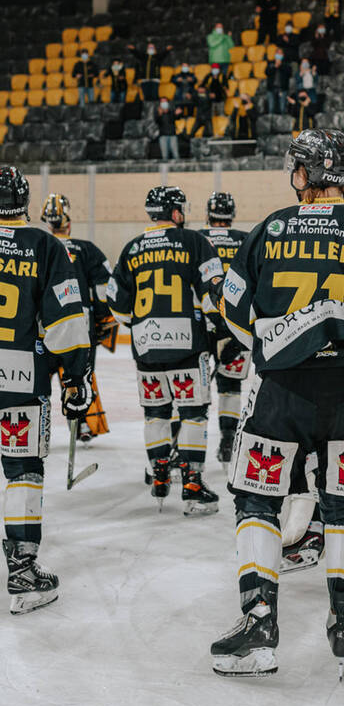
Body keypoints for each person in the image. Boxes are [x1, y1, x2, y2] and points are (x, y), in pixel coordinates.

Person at [209, 128, 344, 678]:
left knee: (258, 501)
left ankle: (259, 620)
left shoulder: (270, 227)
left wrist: (276, 343)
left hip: (281, 392)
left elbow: (234, 311)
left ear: (304, 175)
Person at [0, 167, 91, 614]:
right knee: (22, 469)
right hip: (17, 374)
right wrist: (77, 378)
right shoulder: (43, 245)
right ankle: (22, 571)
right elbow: (67, 322)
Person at [107, 186, 223, 515]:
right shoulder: (195, 242)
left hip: (146, 346)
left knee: (155, 413)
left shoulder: (131, 249)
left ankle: (159, 475)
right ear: (175, 212)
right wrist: (218, 330)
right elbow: (214, 294)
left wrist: (142, 325)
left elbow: (116, 305)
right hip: (188, 345)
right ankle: (192, 485)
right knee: (193, 414)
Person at [40, 193, 113, 442]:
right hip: (80, 327)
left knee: (40, 381)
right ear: (68, 223)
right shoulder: (86, 249)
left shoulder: (39, 247)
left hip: (44, 327)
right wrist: (104, 321)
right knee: (78, 377)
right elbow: (104, 290)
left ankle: (39, 427)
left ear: (47, 224)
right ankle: (81, 425)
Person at [199, 192, 249, 466]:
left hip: (201, 326)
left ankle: (179, 441)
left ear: (208, 214)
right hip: (235, 327)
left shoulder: (196, 237)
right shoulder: (245, 238)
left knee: (194, 388)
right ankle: (228, 441)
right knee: (230, 386)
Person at [265, 49, 291, 114]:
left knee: (282, 108)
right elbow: (267, 72)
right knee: (271, 108)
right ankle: (271, 123)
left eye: (280, 53)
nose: (279, 55)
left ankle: (282, 123)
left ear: (283, 55)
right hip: (271, 89)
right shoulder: (270, 63)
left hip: (282, 89)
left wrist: (280, 65)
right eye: (277, 53)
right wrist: (275, 66)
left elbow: (289, 73)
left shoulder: (287, 64)